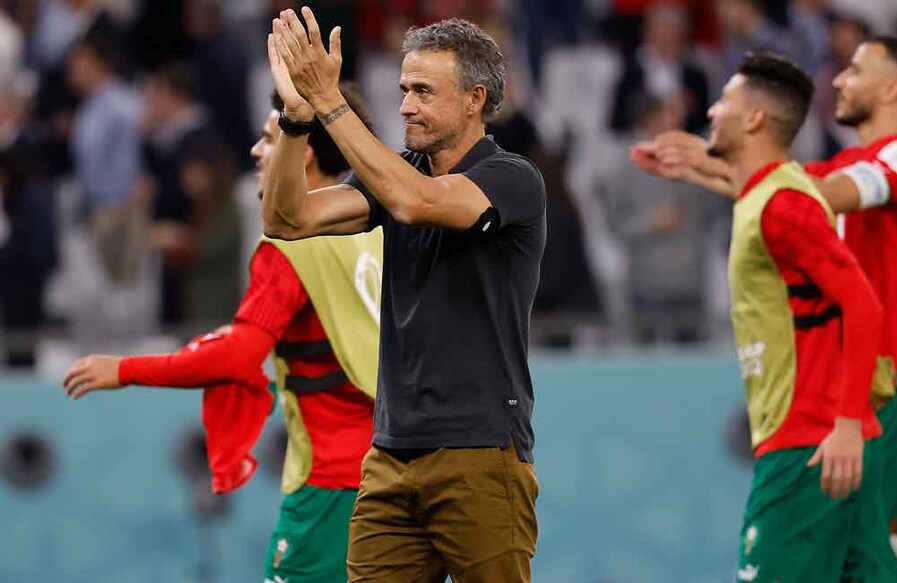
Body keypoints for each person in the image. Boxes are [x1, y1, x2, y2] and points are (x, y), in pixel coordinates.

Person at [633, 34, 897, 565]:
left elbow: (799, 196)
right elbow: (776, 187)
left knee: (891, 559)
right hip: (869, 384)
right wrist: (706, 164)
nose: (838, 79)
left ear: (895, 87)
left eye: (854, 69)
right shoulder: (842, 164)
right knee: (868, 564)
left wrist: (718, 159)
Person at [62, 81, 382, 583]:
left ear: (303, 153)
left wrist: (124, 369)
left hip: (331, 487)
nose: (256, 150)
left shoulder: (290, 248)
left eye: (270, 138)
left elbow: (238, 354)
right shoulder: (379, 236)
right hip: (398, 475)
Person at [267, 9, 545, 581]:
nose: (405, 105)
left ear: (474, 99)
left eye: (423, 91)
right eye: (402, 89)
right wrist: (297, 122)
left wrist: (330, 104)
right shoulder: (394, 175)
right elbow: (286, 220)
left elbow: (415, 202)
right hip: (391, 456)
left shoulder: (513, 179)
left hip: (481, 453)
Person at [678, 51, 897, 582]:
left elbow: (861, 303)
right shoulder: (772, 196)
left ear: (754, 118)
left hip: (809, 444)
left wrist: (844, 422)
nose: (712, 111)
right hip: (833, 442)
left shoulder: (782, 205)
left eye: (724, 101)